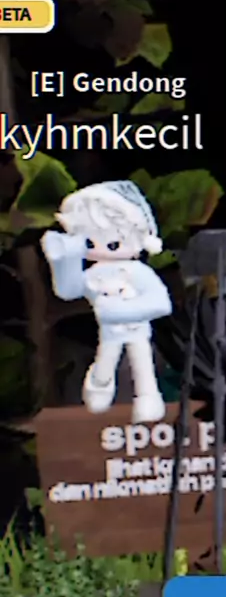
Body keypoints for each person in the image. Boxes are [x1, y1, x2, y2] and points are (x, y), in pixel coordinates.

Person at [41, 180, 172, 423]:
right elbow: (68, 290)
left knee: (143, 365)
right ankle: (99, 387)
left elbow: (161, 304)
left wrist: (120, 311)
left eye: (112, 244)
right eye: (90, 243)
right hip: (109, 334)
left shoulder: (138, 272)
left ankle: (149, 398)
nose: (101, 249)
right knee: (105, 362)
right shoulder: (95, 273)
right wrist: (64, 260)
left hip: (137, 331)